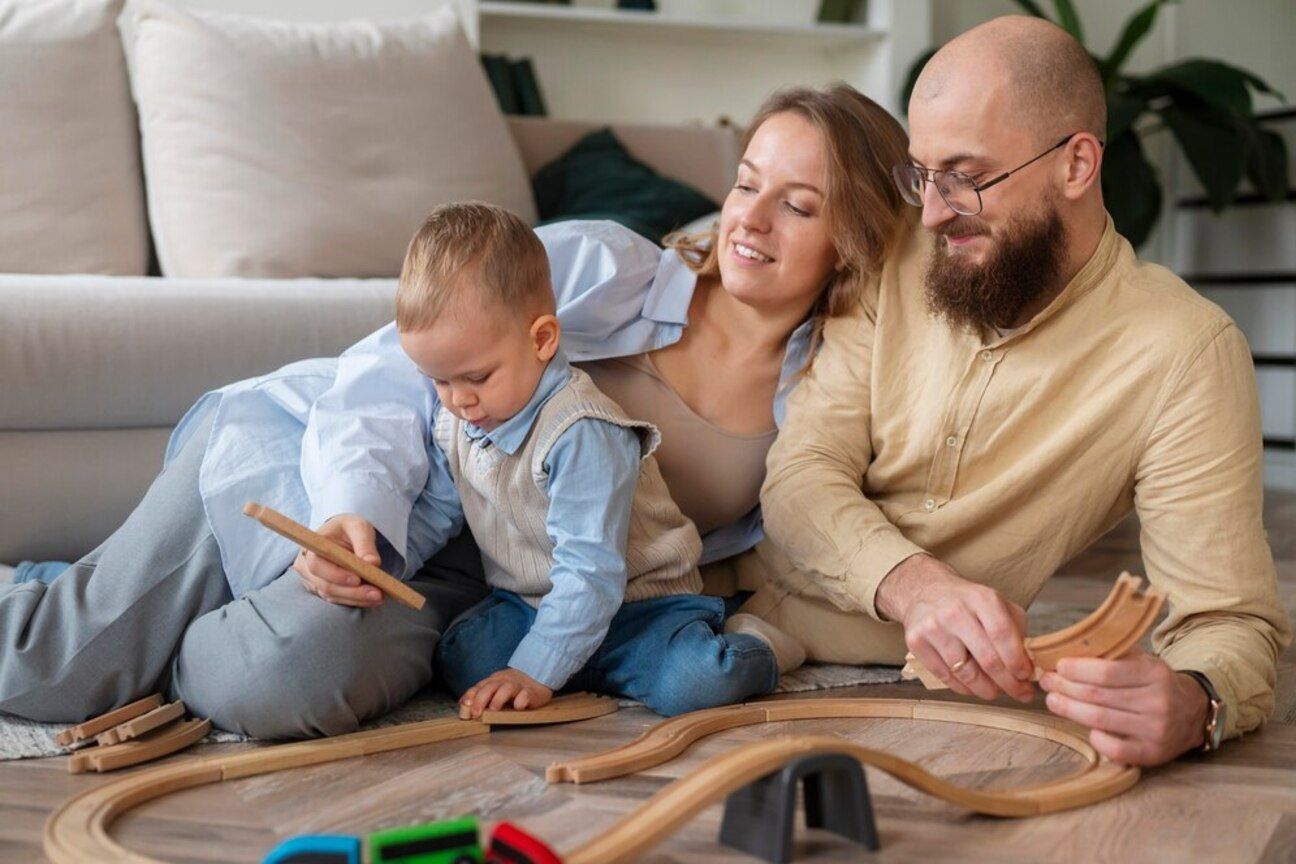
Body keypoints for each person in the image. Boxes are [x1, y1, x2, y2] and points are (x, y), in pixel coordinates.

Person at [0, 83, 910, 738]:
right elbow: (390, 376)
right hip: (349, 476)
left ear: (855, 238)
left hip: (477, 590)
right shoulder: (606, 268)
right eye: (746, 183)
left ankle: (136, 611)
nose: (751, 221)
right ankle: (74, 604)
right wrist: (350, 509)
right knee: (52, 668)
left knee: (276, 680)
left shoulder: (821, 397)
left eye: (798, 205)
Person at [749, 16, 1291, 766]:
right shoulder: (895, 250)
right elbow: (800, 475)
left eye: (966, 177)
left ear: (1076, 166)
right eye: (922, 174)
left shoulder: (1186, 354)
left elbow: (1229, 621)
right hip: (708, 597)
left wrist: (1197, 700)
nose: (933, 212)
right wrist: (919, 589)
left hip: (907, 706)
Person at [389, 202, 800, 718]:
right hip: (532, 604)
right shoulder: (458, 421)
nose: (458, 400)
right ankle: (569, 662)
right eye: (439, 380)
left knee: (697, 683)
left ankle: (755, 640)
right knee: (460, 658)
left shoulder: (581, 431)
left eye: (476, 378)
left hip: (638, 608)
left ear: (542, 340)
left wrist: (535, 670)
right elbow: (438, 511)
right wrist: (381, 558)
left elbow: (592, 571)